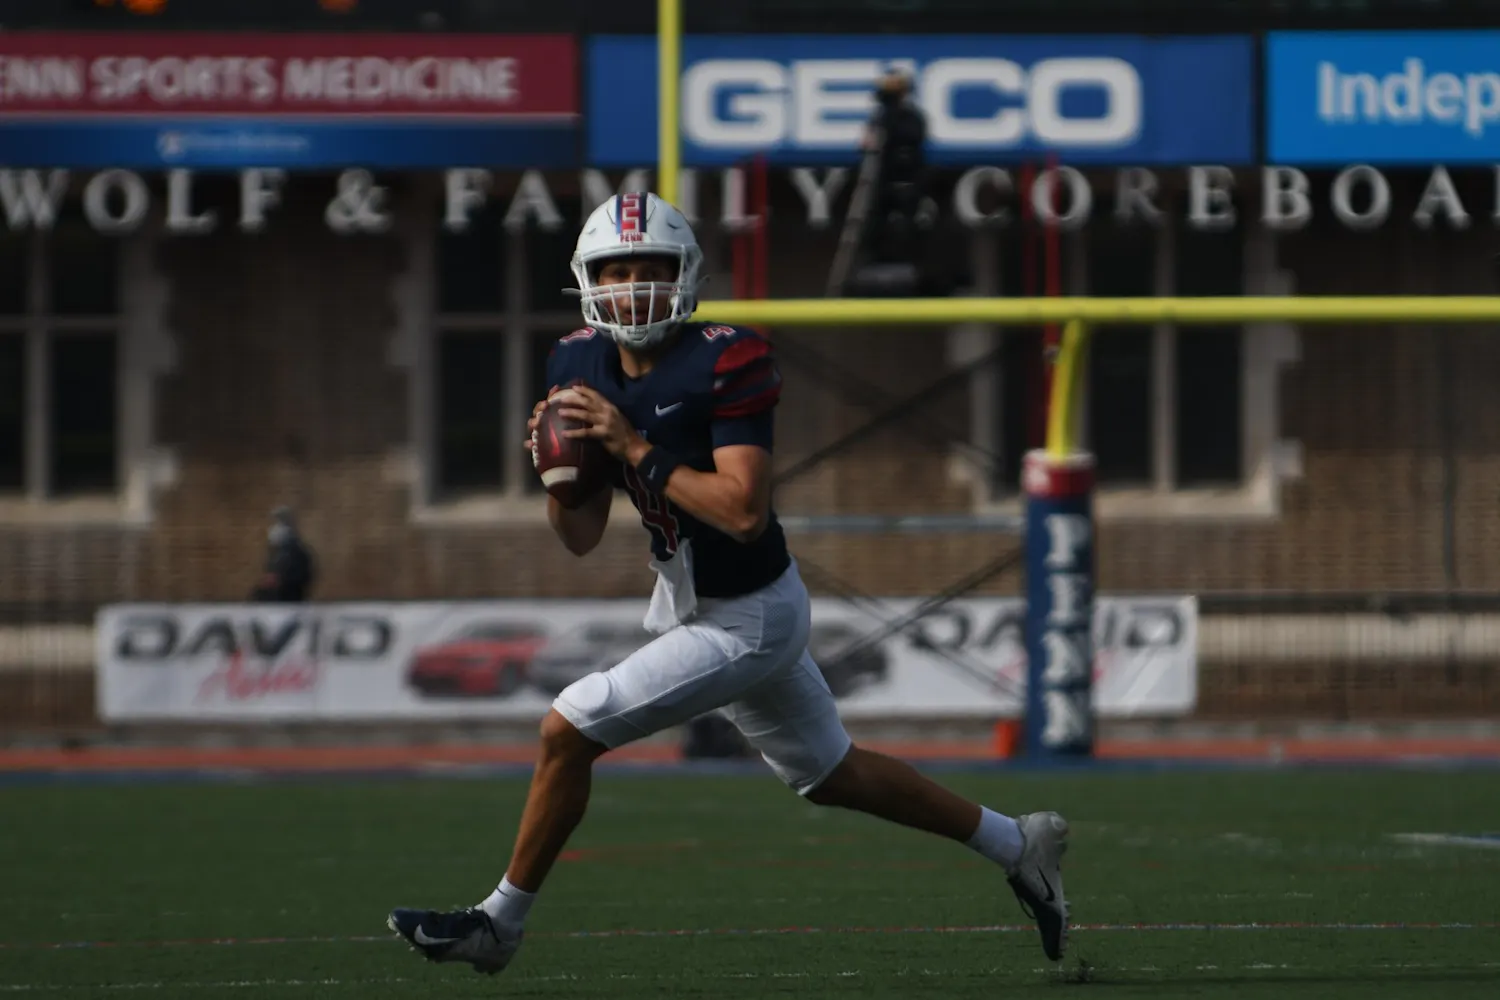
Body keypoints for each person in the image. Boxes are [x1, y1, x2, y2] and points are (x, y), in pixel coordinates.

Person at [387, 192, 1071, 975]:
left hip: (750, 613)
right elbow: (577, 536)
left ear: (686, 277)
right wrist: (559, 477)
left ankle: (498, 925)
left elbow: (743, 513)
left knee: (566, 728)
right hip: (701, 604)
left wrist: (634, 446)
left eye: (651, 268)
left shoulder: (724, 357)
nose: (634, 285)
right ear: (587, 280)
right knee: (832, 774)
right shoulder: (575, 361)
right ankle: (1020, 843)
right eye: (617, 270)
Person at [249, 506, 315, 603]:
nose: (275, 528)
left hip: (288, 597)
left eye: (280, 523)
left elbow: (302, 576)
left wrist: (281, 579)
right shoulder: (276, 552)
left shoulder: (295, 552)